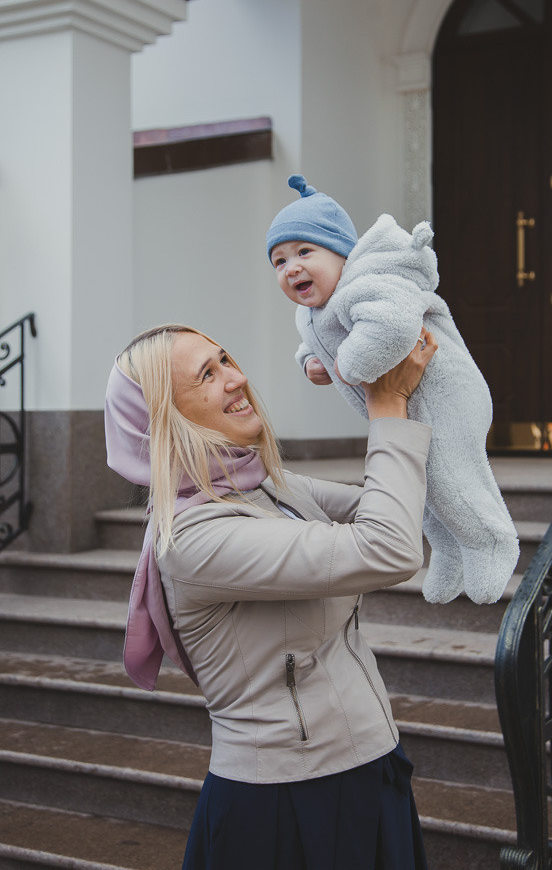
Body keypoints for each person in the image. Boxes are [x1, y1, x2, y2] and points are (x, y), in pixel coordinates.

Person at [104, 322, 437, 870]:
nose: (236, 379)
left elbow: (397, 508)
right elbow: (391, 548)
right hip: (288, 800)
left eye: (226, 360)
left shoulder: (266, 485)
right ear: (166, 418)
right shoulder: (195, 538)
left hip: (371, 765)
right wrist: (386, 405)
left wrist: (378, 374)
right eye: (207, 375)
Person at [267, 175, 519, 606]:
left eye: (305, 252)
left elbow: (394, 326)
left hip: (447, 395)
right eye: (279, 261)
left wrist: (346, 363)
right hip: (405, 405)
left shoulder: (368, 282)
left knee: (450, 476)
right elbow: (316, 346)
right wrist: (310, 363)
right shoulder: (312, 312)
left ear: (342, 254)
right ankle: (449, 551)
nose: (291, 267)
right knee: (420, 486)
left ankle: (490, 541)